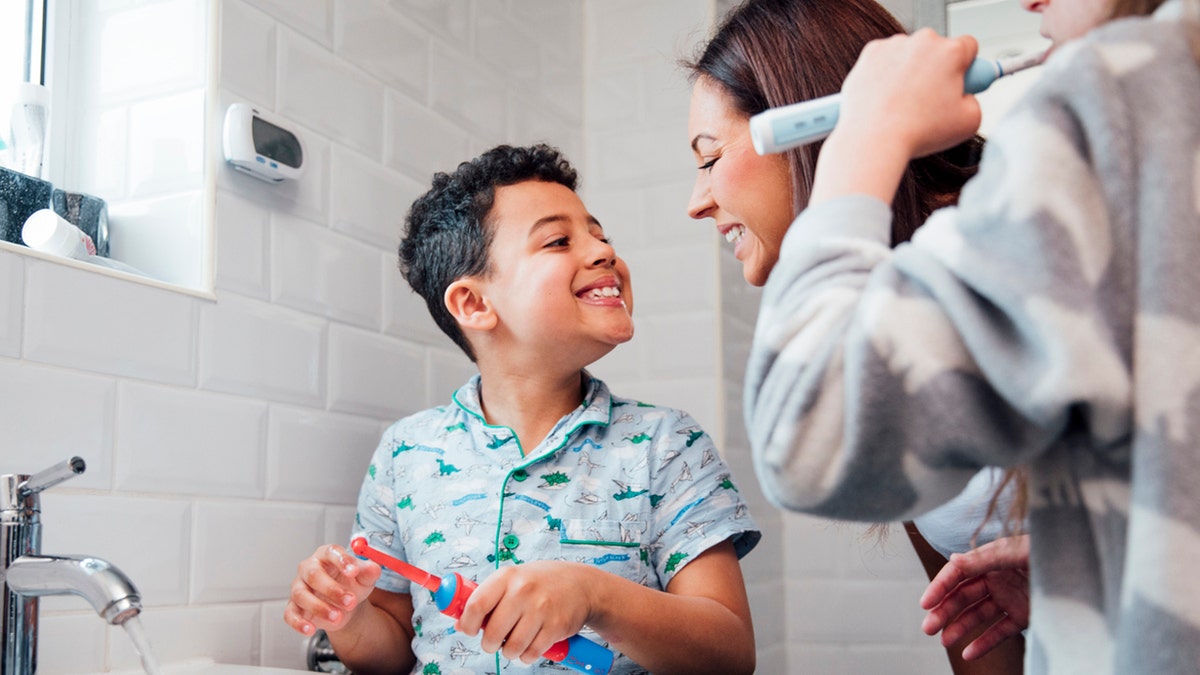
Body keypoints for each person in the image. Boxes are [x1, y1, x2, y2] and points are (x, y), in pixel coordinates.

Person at [742, 0, 1200, 671]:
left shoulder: (1119, 92)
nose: (1030, 0)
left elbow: (808, 438)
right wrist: (1092, 563)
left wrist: (866, 136)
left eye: (709, 156)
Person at [284, 144, 761, 675]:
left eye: (601, 236)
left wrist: (594, 595)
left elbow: (729, 656)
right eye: (559, 241)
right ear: (473, 304)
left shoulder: (666, 445)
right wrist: (348, 618)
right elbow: (393, 652)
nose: (603, 252)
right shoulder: (405, 452)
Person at [684, 1, 1022, 672]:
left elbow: (797, 451)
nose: (697, 201)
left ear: (808, 125)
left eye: (710, 156)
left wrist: (861, 141)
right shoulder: (879, 318)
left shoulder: (1015, 238)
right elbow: (979, 629)